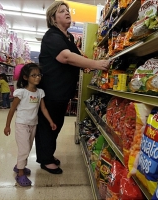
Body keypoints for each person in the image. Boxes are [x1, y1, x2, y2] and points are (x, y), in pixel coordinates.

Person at [36, 1, 110, 174]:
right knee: (49, 125)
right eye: (62, 11)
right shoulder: (52, 36)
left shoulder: (67, 37)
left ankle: (48, 154)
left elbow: (77, 56)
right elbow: (66, 57)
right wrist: (96, 64)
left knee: (57, 124)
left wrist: (88, 64)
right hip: (52, 90)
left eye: (67, 10)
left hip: (62, 91)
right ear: (53, 19)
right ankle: (45, 160)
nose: (67, 13)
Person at [4, 63, 57, 187]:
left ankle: (19, 166)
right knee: (24, 149)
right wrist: (7, 126)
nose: (37, 77)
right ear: (26, 77)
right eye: (33, 75)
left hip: (33, 124)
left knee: (27, 147)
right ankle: (21, 174)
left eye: (39, 75)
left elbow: (43, 108)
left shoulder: (40, 92)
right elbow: (12, 110)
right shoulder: (21, 92)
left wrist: (51, 121)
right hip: (21, 124)